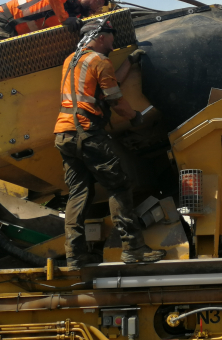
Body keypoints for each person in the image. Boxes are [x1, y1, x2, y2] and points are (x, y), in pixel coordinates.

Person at [53, 19, 164, 269]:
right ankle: (133, 249)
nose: (114, 41)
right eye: (112, 35)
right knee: (119, 186)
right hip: (87, 132)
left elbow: (104, 88)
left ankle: (75, 256)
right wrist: (135, 116)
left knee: (79, 193)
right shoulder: (99, 61)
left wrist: (129, 62)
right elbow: (115, 101)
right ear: (100, 36)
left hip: (64, 134)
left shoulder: (71, 60)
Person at [0, 0, 109, 44]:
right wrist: (64, 19)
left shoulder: (75, 17)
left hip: (18, 33)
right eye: (98, 3)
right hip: (3, 20)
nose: (97, 9)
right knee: (0, 62)